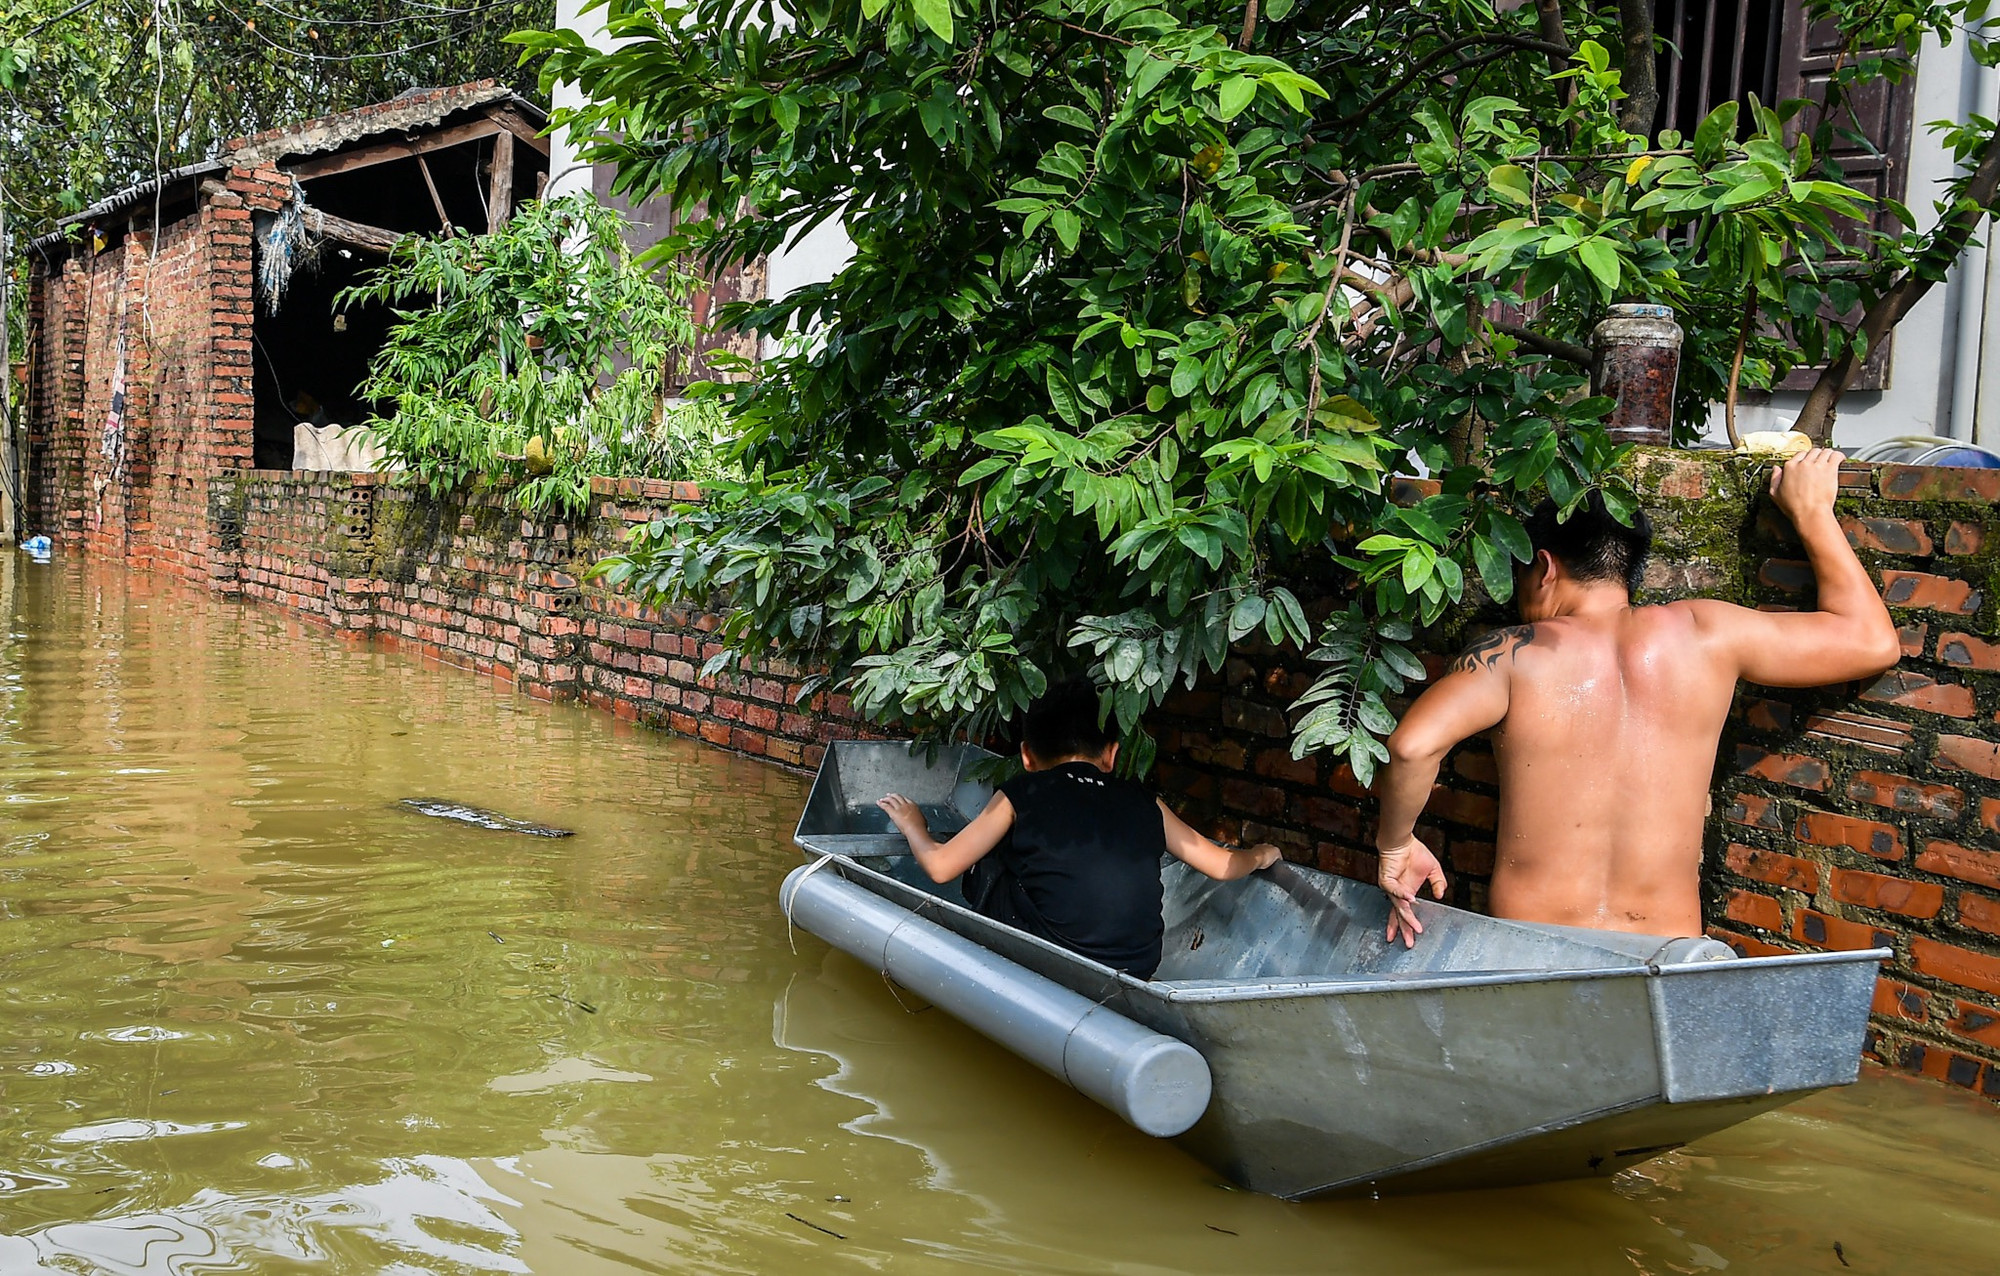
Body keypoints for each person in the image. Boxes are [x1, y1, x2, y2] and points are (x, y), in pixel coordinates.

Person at [1371, 447, 1900, 947]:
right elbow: (1873, 643)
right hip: (1662, 955)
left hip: (1532, 950)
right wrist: (1811, 513)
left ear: (1545, 567)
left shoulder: (1512, 653)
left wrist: (1396, 846)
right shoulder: (1706, 633)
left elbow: (1412, 748)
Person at [876, 682, 1281, 978]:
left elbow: (941, 867)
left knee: (990, 857)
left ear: (1026, 756)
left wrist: (916, 827)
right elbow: (1224, 866)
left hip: (1054, 955)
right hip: (1137, 965)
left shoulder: (1021, 792)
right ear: (1111, 755)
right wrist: (1261, 854)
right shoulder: (1144, 800)